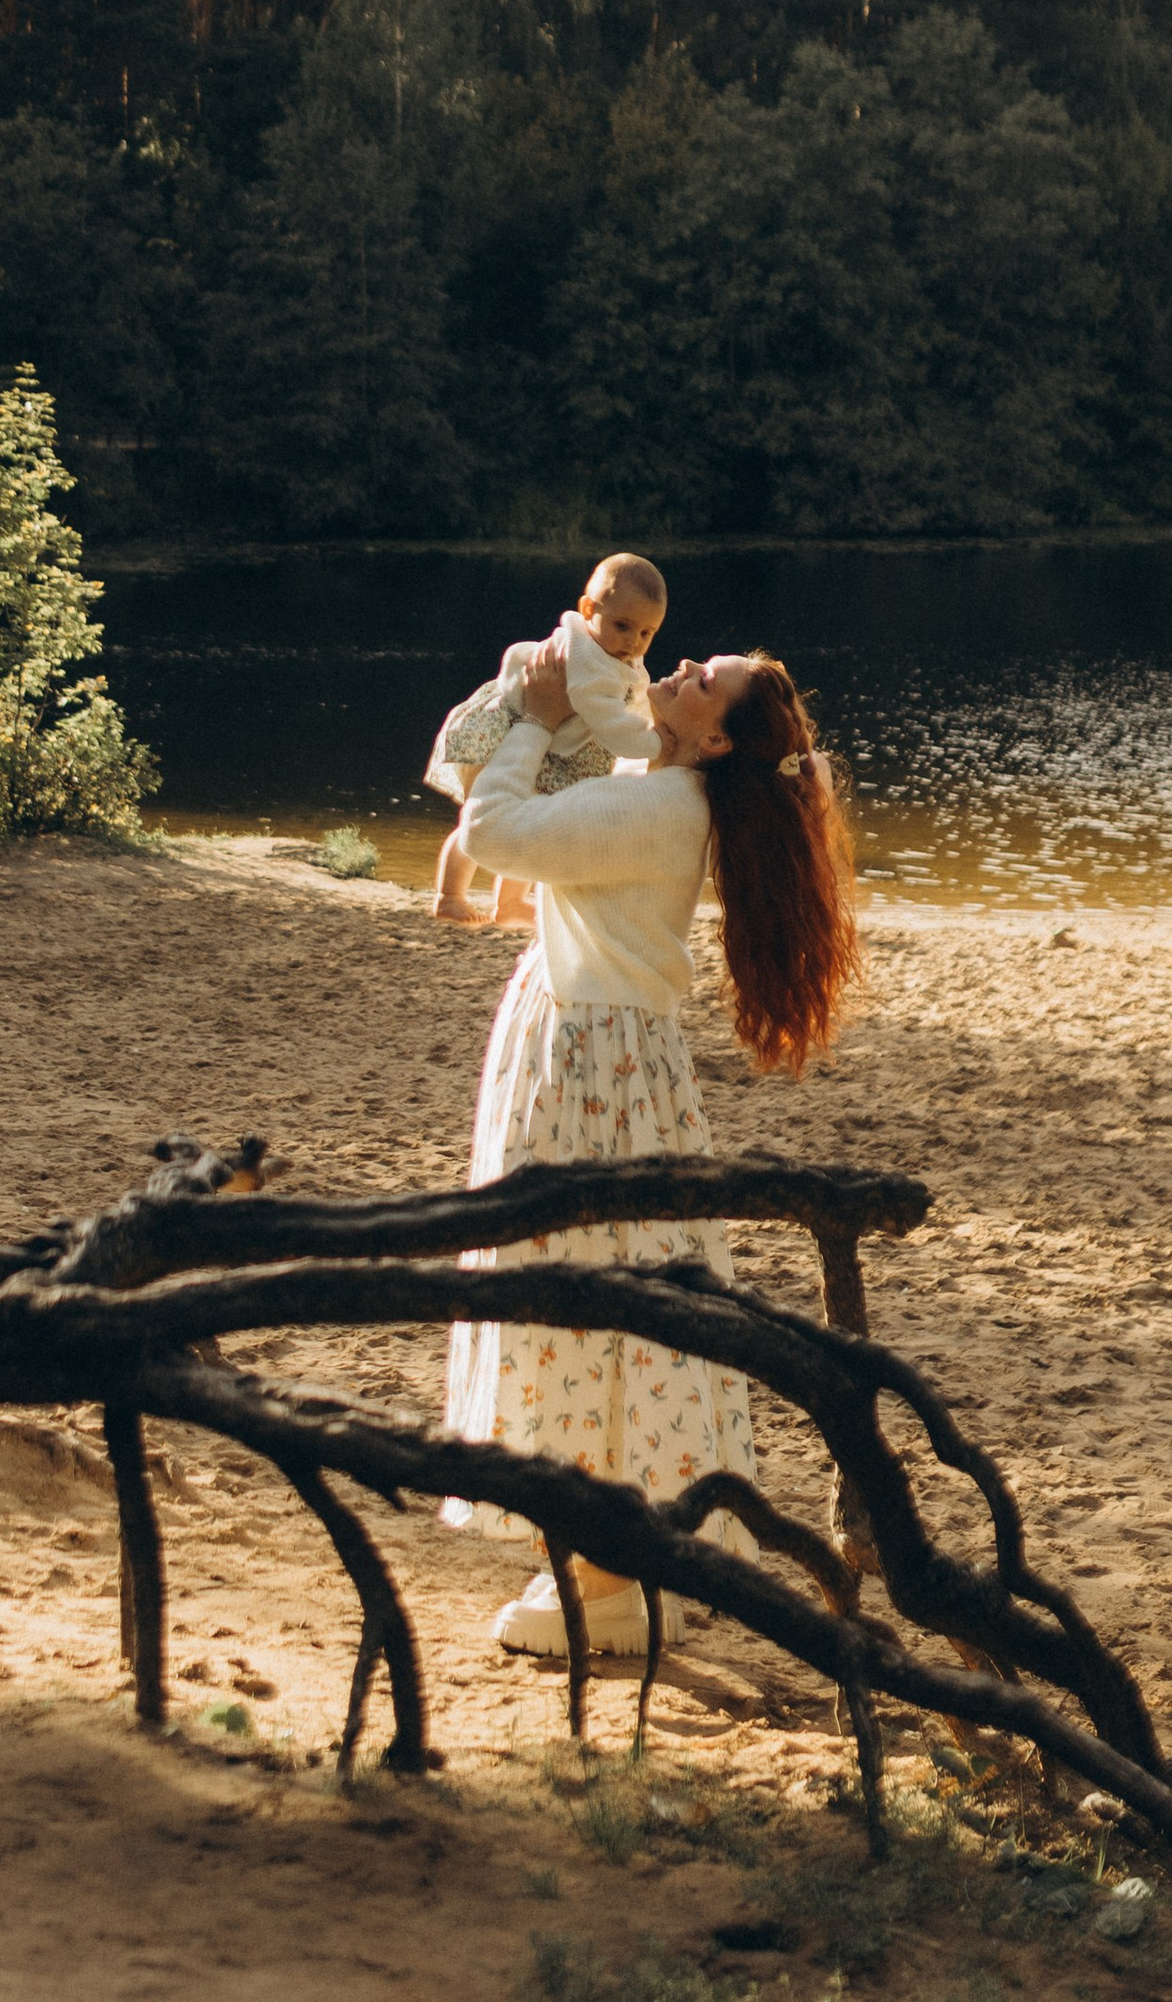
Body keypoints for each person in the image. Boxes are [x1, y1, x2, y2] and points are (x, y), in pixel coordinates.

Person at [439, 640, 860, 1661]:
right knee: (597, 1293)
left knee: (579, 1295)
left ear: (714, 737)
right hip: (599, 1056)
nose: (675, 667)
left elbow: (492, 830)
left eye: (701, 679)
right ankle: (606, 1562)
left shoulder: (660, 809)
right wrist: (547, 693)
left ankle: (608, 1575)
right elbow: (579, 747)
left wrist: (535, 723)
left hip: (590, 1068)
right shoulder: (659, 786)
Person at [426, 554, 671, 928]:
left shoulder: (613, 654)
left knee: (533, 824)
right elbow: (611, 725)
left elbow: (632, 704)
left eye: (646, 633)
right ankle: (450, 895)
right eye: (622, 625)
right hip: (508, 737)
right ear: (588, 610)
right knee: (479, 818)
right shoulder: (586, 660)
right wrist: (657, 743)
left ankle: (510, 903)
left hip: (549, 751)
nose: (633, 642)